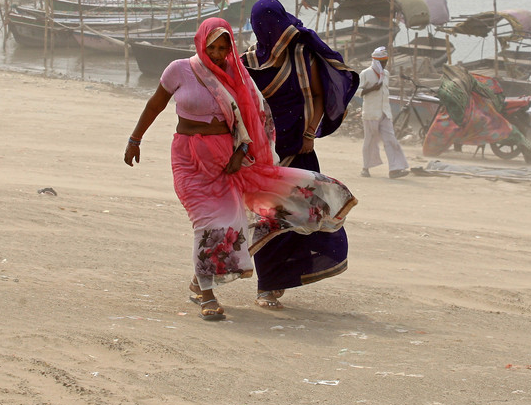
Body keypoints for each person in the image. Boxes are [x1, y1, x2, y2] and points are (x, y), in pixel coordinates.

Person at [124, 18, 357, 321]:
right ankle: (207, 294)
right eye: (213, 47)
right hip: (187, 159)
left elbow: (252, 117)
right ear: (201, 43)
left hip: (226, 160)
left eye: (224, 47)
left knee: (231, 221)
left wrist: (242, 150)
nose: (219, 53)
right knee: (206, 222)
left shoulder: (236, 74)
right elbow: (155, 104)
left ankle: (199, 283)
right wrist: (135, 139)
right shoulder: (179, 69)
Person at [242, 0, 359, 310]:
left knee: (303, 215)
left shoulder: (303, 55)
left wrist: (309, 133)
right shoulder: (248, 62)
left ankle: (283, 277)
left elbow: (319, 95)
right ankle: (267, 285)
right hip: (263, 154)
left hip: (298, 148)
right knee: (267, 219)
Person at [359, 47, 410, 179]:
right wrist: (372, 88)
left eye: (385, 61)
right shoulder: (366, 73)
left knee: (391, 140)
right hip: (371, 113)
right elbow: (357, 92)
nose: (384, 64)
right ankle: (365, 168)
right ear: (376, 61)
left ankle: (395, 168)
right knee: (370, 141)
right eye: (381, 62)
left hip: (385, 112)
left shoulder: (386, 74)